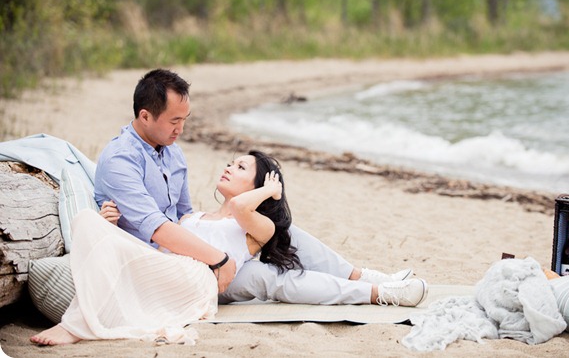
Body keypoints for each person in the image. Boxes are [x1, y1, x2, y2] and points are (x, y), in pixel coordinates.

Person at [30, 149, 427, 345]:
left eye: (240, 168)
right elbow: (157, 242)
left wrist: (270, 191)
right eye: (231, 162)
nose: (229, 168)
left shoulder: (257, 225)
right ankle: (76, 322)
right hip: (163, 268)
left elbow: (238, 206)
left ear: (256, 187)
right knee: (88, 220)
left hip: (200, 279)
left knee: (279, 278)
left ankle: (375, 289)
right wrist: (109, 223)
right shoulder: (193, 217)